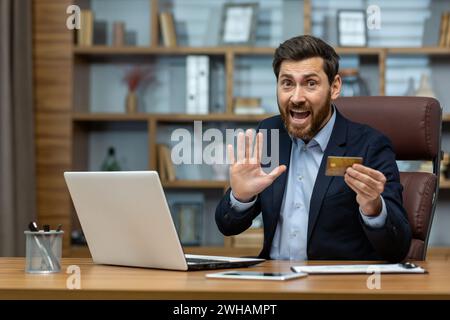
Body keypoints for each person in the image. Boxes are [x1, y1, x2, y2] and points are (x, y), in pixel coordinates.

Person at [215, 35, 411, 262]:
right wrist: (241, 196)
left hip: (335, 288)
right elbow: (227, 226)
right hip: (271, 280)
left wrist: (374, 208)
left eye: (310, 83)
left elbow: (398, 247)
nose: (297, 97)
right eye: (287, 83)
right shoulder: (269, 134)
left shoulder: (369, 145)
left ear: (334, 87)